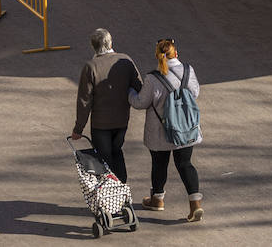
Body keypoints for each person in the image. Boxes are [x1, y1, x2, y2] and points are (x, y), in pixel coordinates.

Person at [129, 38, 203, 221]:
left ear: (157, 56)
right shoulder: (188, 70)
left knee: (159, 164)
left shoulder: (153, 78)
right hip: (185, 128)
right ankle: (195, 205)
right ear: (176, 53)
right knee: (185, 164)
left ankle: (158, 200)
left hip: (160, 131)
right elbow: (195, 93)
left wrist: (130, 92)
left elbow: (140, 103)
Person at [69, 29, 142, 184]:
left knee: (104, 159)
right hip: (122, 121)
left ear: (93, 46)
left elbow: (84, 101)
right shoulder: (125, 60)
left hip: (101, 124)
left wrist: (78, 129)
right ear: (110, 43)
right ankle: (122, 188)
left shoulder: (91, 66)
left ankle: (110, 195)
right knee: (117, 151)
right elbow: (139, 86)